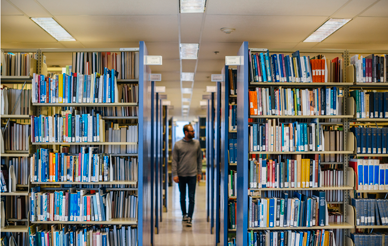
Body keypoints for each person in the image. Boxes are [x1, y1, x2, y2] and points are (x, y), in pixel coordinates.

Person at [172, 124, 202, 227]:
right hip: (181, 175)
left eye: (193, 131)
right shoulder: (177, 145)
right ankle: (184, 214)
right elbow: (175, 161)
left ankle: (190, 217)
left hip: (192, 175)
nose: (194, 132)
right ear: (186, 132)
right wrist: (175, 174)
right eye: (192, 131)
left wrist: (199, 172)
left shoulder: (197, 143)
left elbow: (199, 159)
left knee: (192, 197)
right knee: (182, 196)